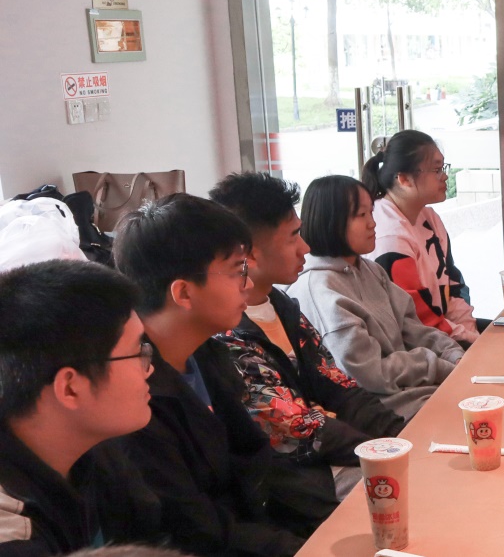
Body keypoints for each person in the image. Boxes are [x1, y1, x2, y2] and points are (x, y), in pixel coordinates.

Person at [113, 194, 321, 557]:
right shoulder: (134, 400)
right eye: (238, 270)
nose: (247, 283)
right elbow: (196, 530)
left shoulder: (206, 355)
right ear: (183, 292)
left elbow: (256, 465)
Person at [208, 173, 405, 500]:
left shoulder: (282, 305)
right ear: (250, 254)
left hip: (334, 460)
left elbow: (340, 388)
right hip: (299, 487)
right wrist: (387, 452)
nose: (305, 247)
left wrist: (402, 435)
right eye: (293, 237)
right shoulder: (227, 335)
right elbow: (302, 428)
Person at [0, 261, 160, 556]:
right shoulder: (14, 539)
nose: (149, 368)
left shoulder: (94, 453)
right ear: (70, 387)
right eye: (138, 351)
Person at [288, 175, 464, 420]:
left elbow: (413, 329)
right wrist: (437, 367)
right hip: (384, 409)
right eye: (361, 215)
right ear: (330, 221)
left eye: (371, 212)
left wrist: (454, 356)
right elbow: (368, 374)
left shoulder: (370, 269)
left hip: (416, 389)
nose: (372, 223)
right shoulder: (320, 289)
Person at [362, 130, 483, 346]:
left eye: (443, 168)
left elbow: (453, 286)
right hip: (414, 347)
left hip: (444, 335)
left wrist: (471, 333)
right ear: (404, 179)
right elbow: (417, 321)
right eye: (436, 170)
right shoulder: (389, 235)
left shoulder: (429, 216)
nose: (444, 176)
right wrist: (472, 342)